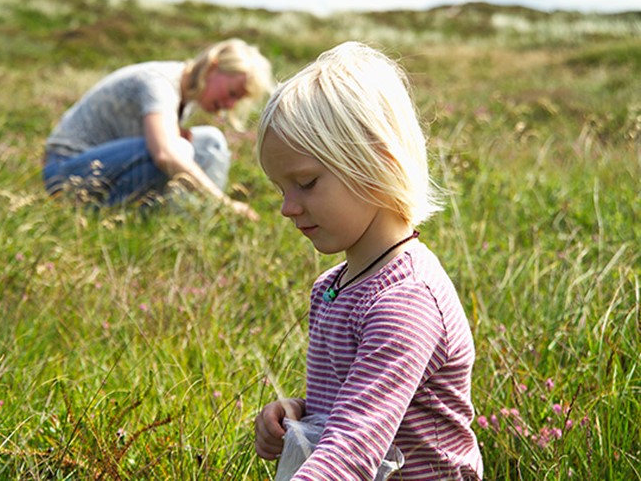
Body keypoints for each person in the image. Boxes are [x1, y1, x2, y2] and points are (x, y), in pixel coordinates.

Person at [253, 42, 483, 480]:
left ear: (376, 161)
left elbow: (355, 446)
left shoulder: (406, 301)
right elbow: (350, 407)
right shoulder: (331, 287)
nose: (287, 207)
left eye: (305, 182)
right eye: (280, 189)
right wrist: (298, 415)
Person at [42, 39, 274, 219]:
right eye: (232, 93)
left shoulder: (185, 94)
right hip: (66, 172)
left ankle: (194, 223)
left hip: (102, 168)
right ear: (212, 68)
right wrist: (224, 202)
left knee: (210, 141)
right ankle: (107, 216)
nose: (230, 105)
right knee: (177, 149)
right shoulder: (159, 85)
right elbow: (164, 155)